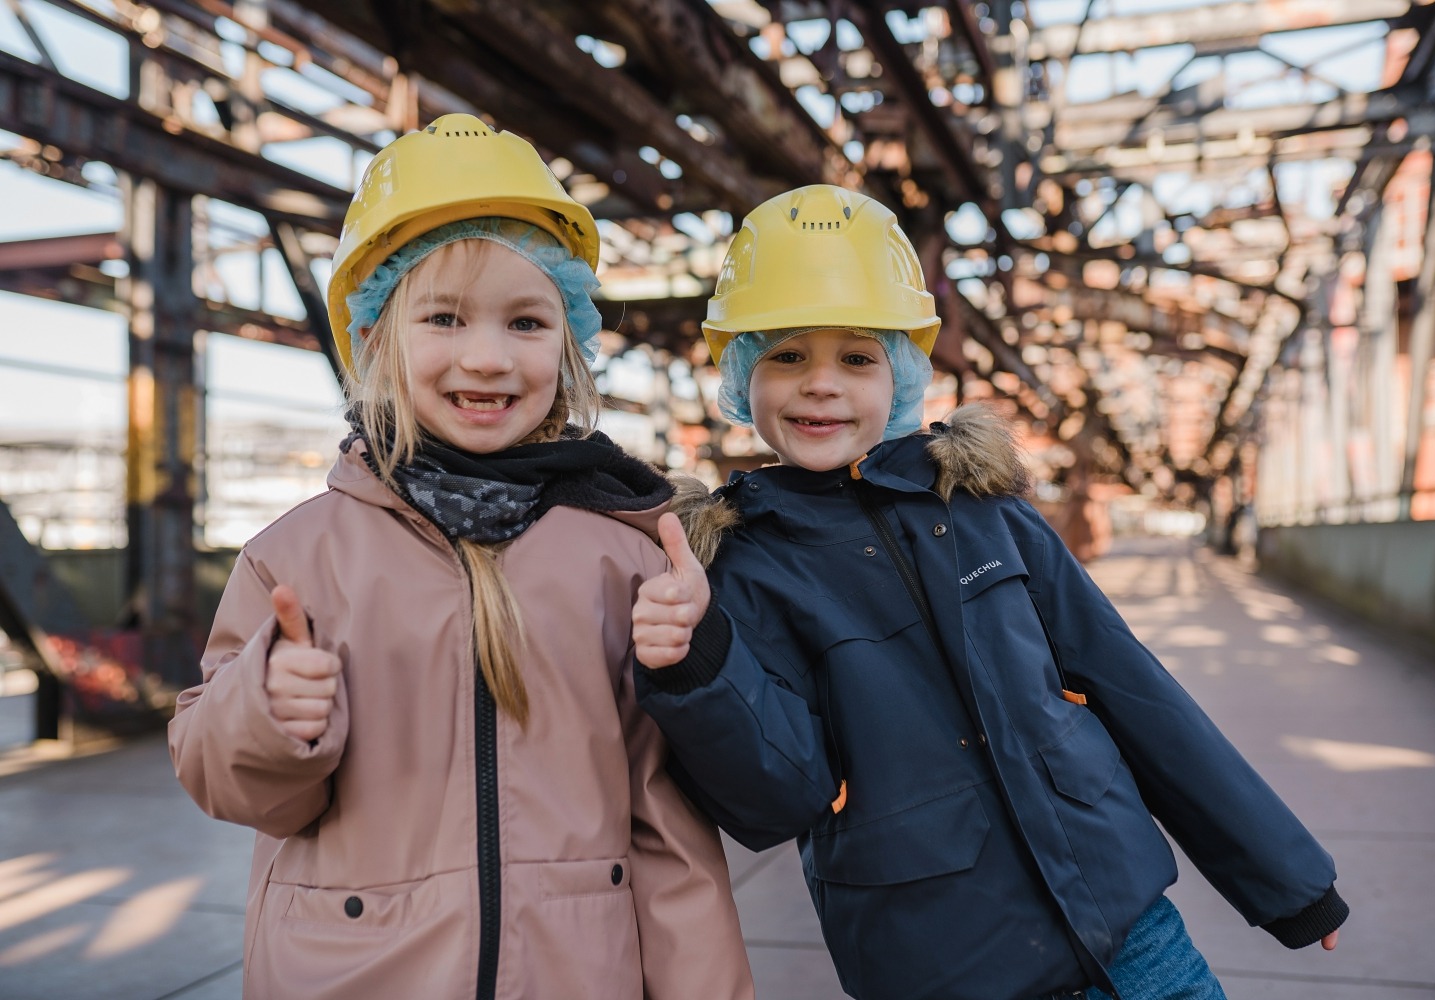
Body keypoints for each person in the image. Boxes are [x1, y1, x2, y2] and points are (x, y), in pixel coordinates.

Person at [630, 184, 1348, 1000]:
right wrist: (695, 663)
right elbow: (777, 796)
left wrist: (1286, 881)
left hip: (1136, 939)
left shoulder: (986, 514)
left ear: (900, 372)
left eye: (856, 357)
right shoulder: (746, 567)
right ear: (739, 374)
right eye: (787, 355)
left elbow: (1134, 689)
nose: (821, 384)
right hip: (942, 966)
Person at [168, 114, 755, 1000]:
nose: (486, 358)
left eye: (525, 322)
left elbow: (668, 838)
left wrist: (700, 650)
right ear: (374, 339)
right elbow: (243, 791)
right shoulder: (295, 558)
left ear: (567, 346)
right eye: (443, 317)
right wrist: (269, 712)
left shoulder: (625, 558)